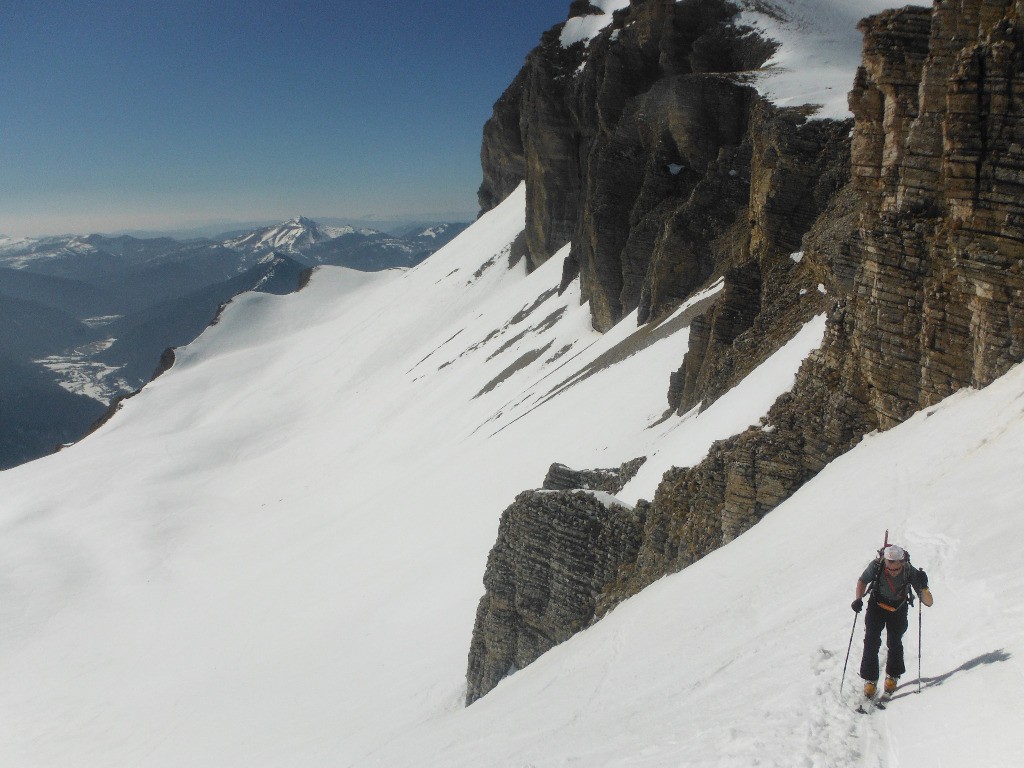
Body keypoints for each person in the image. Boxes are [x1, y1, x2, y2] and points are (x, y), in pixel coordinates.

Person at [851, 544, 933, 697]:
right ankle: (870, 680)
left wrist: (924, 586)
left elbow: (928, 602)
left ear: (902, 562)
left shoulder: (910, 571)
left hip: (898, 608)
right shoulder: (877, 566)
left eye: (895, 569)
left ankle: (892, 676)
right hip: (876, 606)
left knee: (895, 642)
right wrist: (858, 599)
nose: (892, 572)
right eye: (889, 569)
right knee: (871, 641)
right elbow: (862, 581)